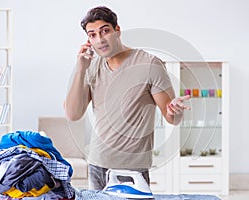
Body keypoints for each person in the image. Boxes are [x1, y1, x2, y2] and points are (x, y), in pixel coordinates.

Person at [64, 6, 190, 190]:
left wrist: (176, 111)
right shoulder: (91, 66)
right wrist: (81, 68)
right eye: (92, 35)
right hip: (98, 163)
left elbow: (172, 118)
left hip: (133, 168)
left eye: (105, 31)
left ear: (117, 30)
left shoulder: (149, 64)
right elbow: (72, 114)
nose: (100, 39)